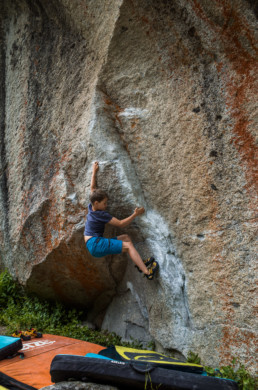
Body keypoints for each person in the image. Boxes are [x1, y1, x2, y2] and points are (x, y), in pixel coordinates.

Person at [84, 162, 159, 280]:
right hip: (95, 244)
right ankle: (147, 272)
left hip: (94, 243)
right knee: (128, 246)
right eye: (104, 203)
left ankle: (141, 264)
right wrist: (135, 214)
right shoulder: (101, 214)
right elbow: (120, 223)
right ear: (97, 203)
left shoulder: (92, 206)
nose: (106, 205)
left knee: (126, 238)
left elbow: (92, 188)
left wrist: (94, 171)